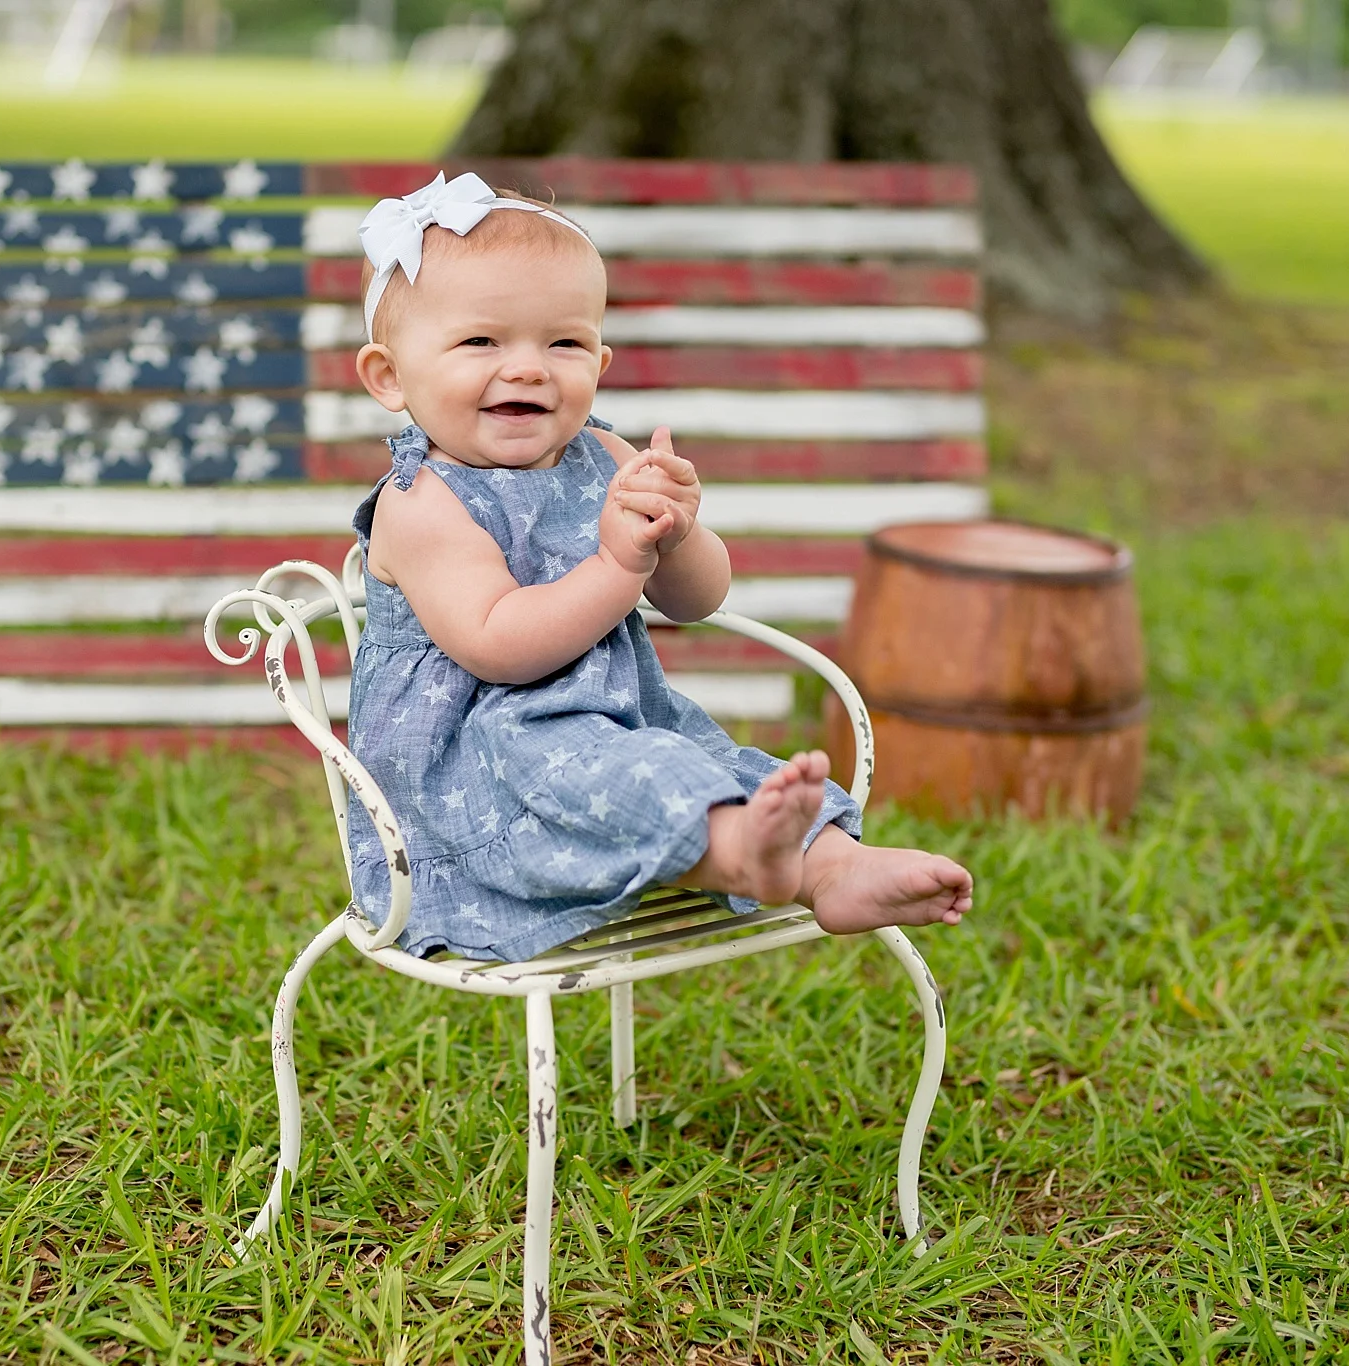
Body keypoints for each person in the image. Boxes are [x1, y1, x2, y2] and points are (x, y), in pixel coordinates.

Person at [343, 172, 974, 963]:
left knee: (714, 763)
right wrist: (615, 560)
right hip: (481, 763)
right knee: (631, 775)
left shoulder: (603, 453)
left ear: (600, 362)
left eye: (563, 342)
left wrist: (677, 535)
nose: (530, 368)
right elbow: (500, 645)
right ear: (390, 376)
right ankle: (748, 853)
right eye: (481, 341)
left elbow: (699, 600)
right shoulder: (423, 503)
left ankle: (833, 867)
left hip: (614, 721)